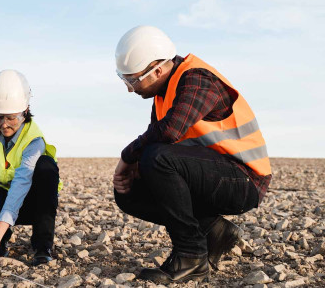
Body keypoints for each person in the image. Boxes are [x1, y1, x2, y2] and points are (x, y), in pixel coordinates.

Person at [112, 26, 272, 284]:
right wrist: (136, 168)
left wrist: (127, 157)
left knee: (155, 157)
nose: (130, 89)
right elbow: (161, 140)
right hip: (210, 175)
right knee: (129, 192)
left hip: (244, 181)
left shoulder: (197, 79)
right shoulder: (163, 94)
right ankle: (213, 230)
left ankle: (191, 256)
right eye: (125, 80)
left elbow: (168, 132)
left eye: (133, 80)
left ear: (158, 70)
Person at [0, 69, 62, 266]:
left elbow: (21, 183)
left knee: (46, 167)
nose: (4, 124)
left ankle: (43, 246)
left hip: (33, 203)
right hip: (1, 197)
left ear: (25, 111)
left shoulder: (34, 140)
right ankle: (0, 243)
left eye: (11, 118)